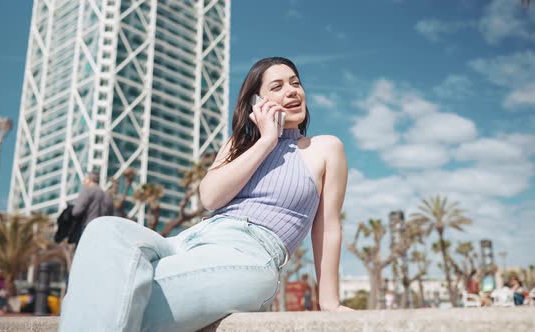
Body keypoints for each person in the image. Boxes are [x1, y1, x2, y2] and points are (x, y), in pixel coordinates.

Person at [59, 57, 352, 332]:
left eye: (295, 83)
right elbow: (211, 198)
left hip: (249, 254)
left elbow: (327, 228)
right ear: (257, 103)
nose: (292, 91)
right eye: (277, 87)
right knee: (103, 229)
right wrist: (266, 142)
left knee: (111, 296)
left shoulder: (325, 148)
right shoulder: (240, 144)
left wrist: (329, 302)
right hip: (185, 242)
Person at [71, 171, 114, 235]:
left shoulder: (87, 191)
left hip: (88, 227)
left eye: (85, 180)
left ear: (90, 180)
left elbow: (76, 212)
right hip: (102, 229)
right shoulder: (106, 195)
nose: (83, 182)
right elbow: (110, 213)